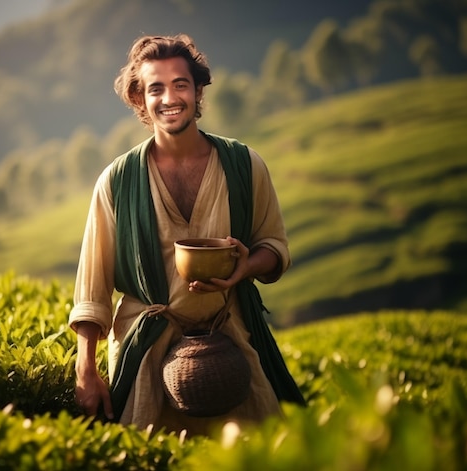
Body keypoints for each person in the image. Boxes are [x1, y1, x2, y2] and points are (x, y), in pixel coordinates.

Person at [69, 33, 305, 437]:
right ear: (140, 100)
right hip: (145, 350)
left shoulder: (245, 166)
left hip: (229, 334)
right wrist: (85, 369)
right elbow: (92, 289)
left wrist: (246, 266)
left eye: (180, 84)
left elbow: (274, 246)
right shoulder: (116, 182)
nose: (169, 98)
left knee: (262, 451)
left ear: (198, 92)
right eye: (155, 88)